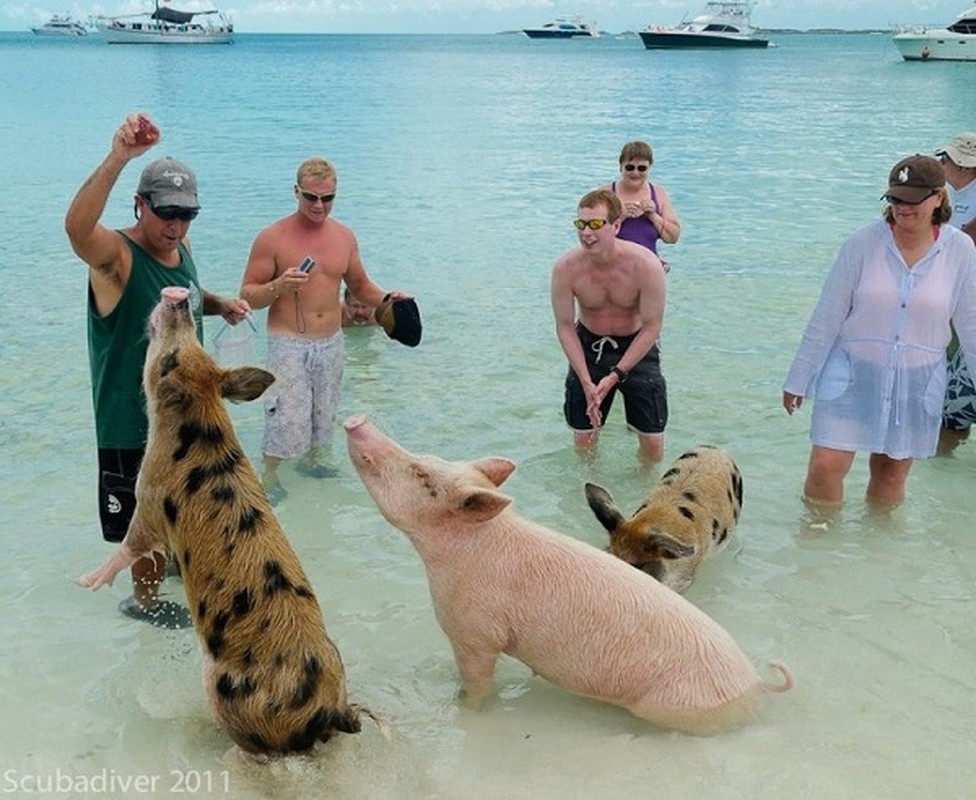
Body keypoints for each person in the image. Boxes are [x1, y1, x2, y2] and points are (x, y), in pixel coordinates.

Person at [64, 112, 251, 628]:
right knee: (140, 526)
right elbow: (77, 229)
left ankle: (166, 572)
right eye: (165, 213)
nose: (176, 225)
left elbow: (185, 299)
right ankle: (144, 605)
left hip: (185, 419)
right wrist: (119, 157)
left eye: (186, 215)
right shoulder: (116, 257)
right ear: (140, 205)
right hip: (130, 423)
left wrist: (219, 304)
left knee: (180, 512)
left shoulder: (181, 247)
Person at [782, 155, 976, 509]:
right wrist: (799, 377)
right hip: (852, 374)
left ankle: (879, 557)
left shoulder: (961, 251)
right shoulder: (861, 243)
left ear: (939, 198)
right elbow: (827, 315)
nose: (904, 207)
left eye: (914, 199)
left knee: (890, 475)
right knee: (824, 468)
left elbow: (971, 325)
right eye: (897, 198)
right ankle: (816, 553)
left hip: (917, 381)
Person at [239, 157, 408, 504]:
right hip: (288, 343)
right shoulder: (271, 238)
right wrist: (279, 286)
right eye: (311, 197)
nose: (319, 206)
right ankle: (269, 477)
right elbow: (248, 296)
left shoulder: (343, 236)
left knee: (324, 411)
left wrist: (390, 298)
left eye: (328, 198)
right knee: (286, 417)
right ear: (295, 192)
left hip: (331, 341)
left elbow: (360, 286)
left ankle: (313, 463)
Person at [551, 188, 668, 462]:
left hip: (637, 346)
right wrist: (586, 380)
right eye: (580, 224)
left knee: (652, 442)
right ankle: (584, 495)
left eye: (595, 224)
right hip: (589, 347)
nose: (586, 233)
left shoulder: (646, 265)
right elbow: (565, 326)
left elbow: (652, 326)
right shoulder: (565, 269)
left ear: (616, 226)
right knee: (584, 438)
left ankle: (644, 493)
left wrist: (616, 374)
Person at [935, 133, 976, 453]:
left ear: (965, 164)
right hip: (949, 296)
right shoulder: (949, 194)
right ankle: (943, 467)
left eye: (946, 158)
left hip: (967, 300)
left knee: (957, 392)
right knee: (948, 386)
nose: (942, 162)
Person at [603, 140, 681, 267]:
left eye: (641, 168)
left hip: (648, 270)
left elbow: (673, 237)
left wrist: (653, 216)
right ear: (620, 166)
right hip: (613, 269)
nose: (635, 173)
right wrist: (620, 217)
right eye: (630, 167)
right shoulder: (606, 193)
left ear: (649, 168)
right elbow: (592, 235)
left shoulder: (658, 193)